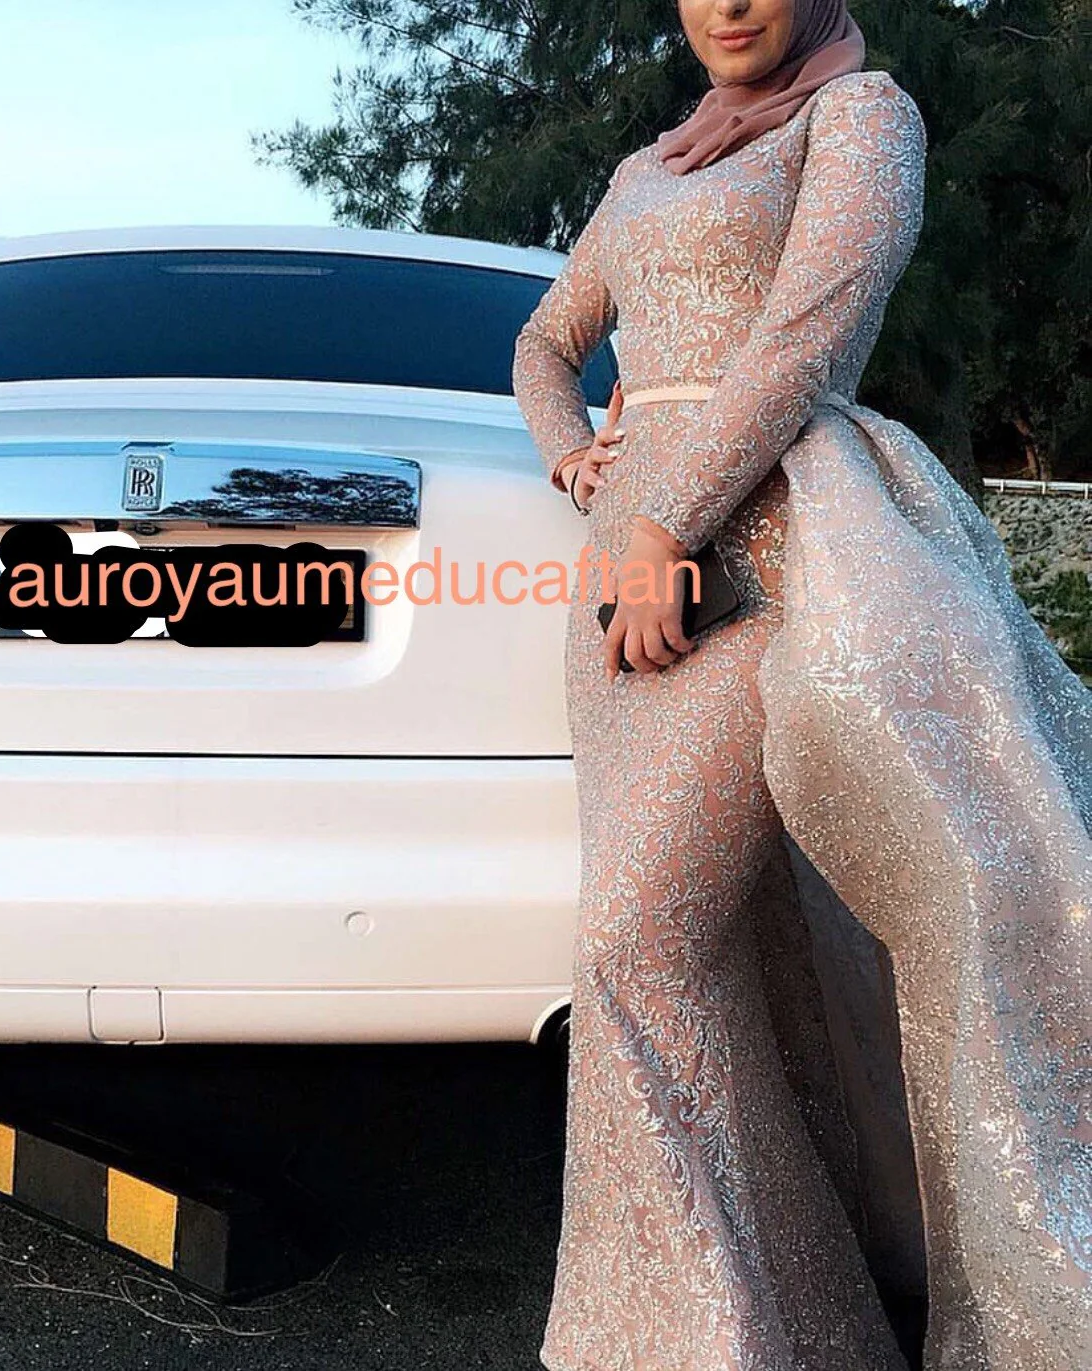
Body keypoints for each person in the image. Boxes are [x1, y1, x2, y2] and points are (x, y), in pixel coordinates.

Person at [510, 0, 1092, 1367]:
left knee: (636, 938)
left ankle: (692, 1335)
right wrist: (574, 458)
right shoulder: (646, 169)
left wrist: (671, 519)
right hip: (626, 569)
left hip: (775, 550)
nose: (726, 5)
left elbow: (808, 335)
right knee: (720, 955)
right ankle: (789, 1328)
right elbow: (544, 341)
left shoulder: (861, 114)